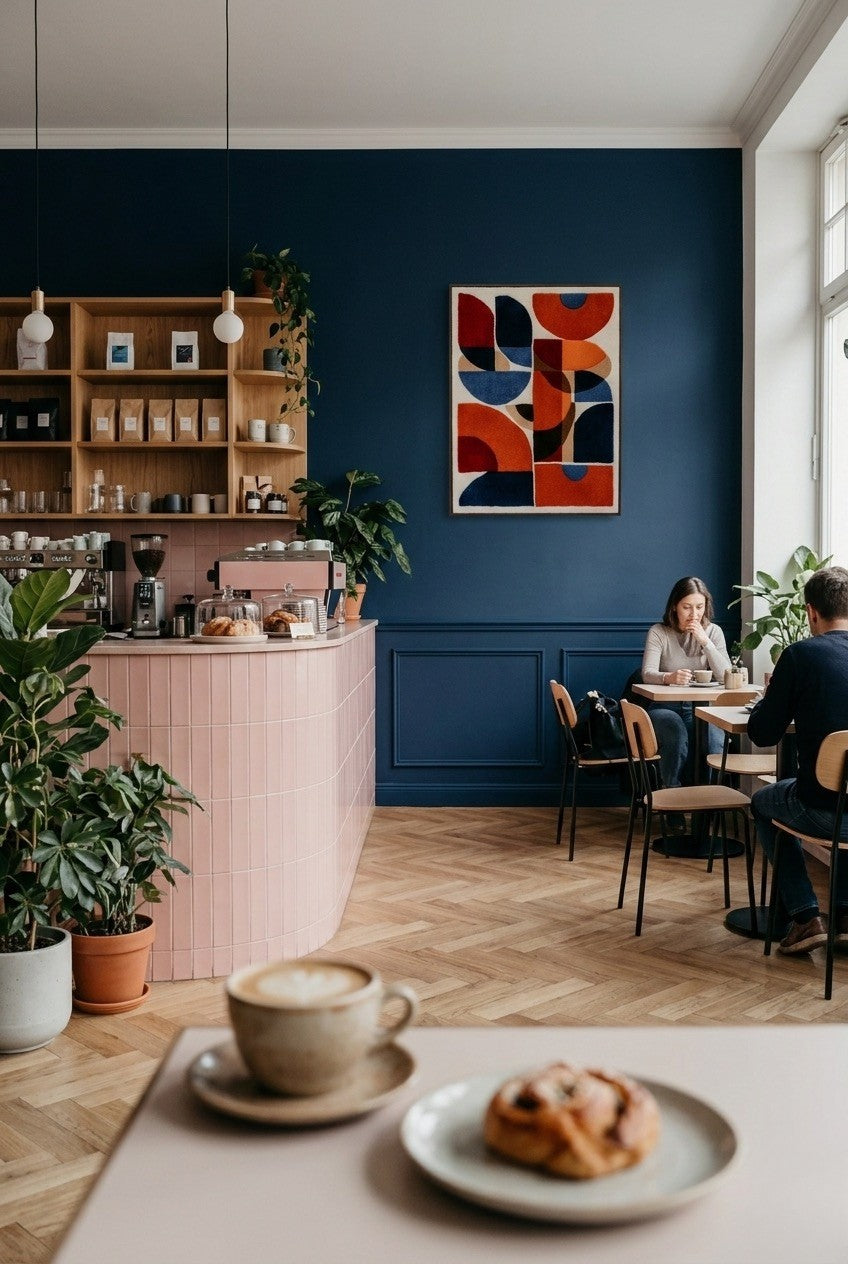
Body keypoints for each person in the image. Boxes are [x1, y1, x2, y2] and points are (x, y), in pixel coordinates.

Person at [748, 565, 848, 954]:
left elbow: (763, 734)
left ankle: (806, 917)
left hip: (823, 809)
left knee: (763, 802)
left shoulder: (800, 655)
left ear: (810, 612)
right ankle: (844, 915)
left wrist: (772, 698)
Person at [641, 576, 731, 788]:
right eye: (687, 607)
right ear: (674, 607)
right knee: (676, 734)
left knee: (715, 741)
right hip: (665, 707)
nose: (694, 614)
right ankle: (671, 801)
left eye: (700, 607)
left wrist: (705, 642)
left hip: (704, 710)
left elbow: (726, 675)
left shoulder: (713, 632)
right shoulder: (658, 632)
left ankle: (709, 804)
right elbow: (647, 673)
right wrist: (668, 677)